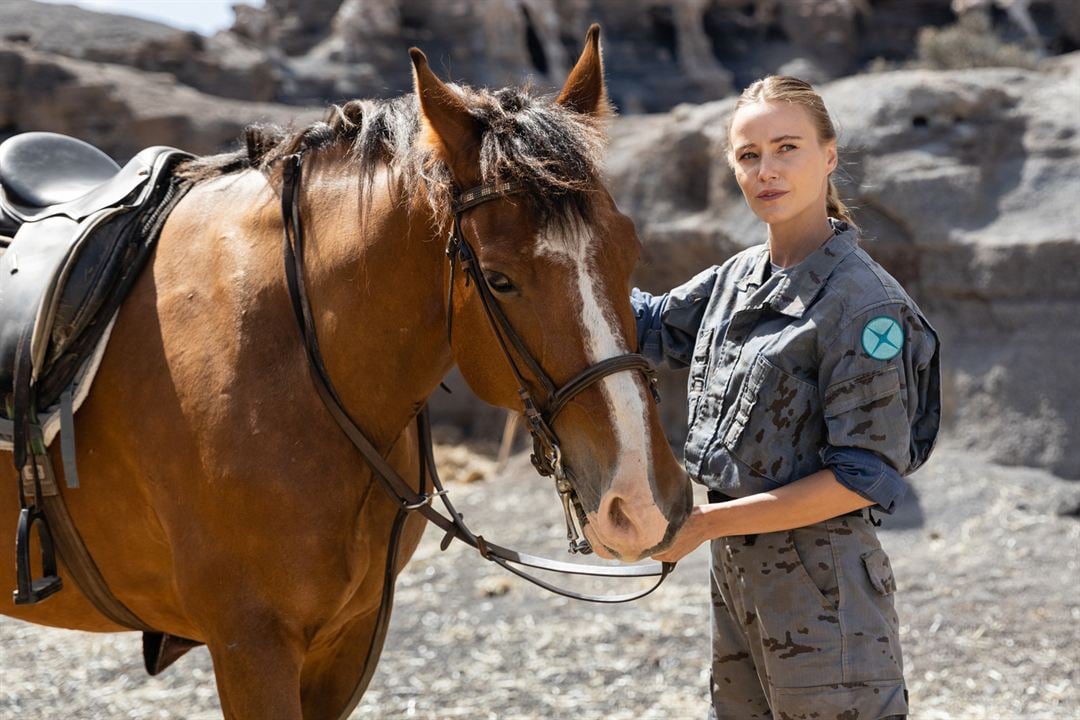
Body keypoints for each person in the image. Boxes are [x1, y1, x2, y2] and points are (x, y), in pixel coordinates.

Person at [634, 76, 941, 719]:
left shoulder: (864, 306)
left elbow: (863, 476)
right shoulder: (737, 276)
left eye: (787, 147)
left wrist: (703, 525)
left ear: (829, 156)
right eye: (748, 155)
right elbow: (650, 326)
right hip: (737, 575)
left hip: (823, 586)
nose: (766, 170)